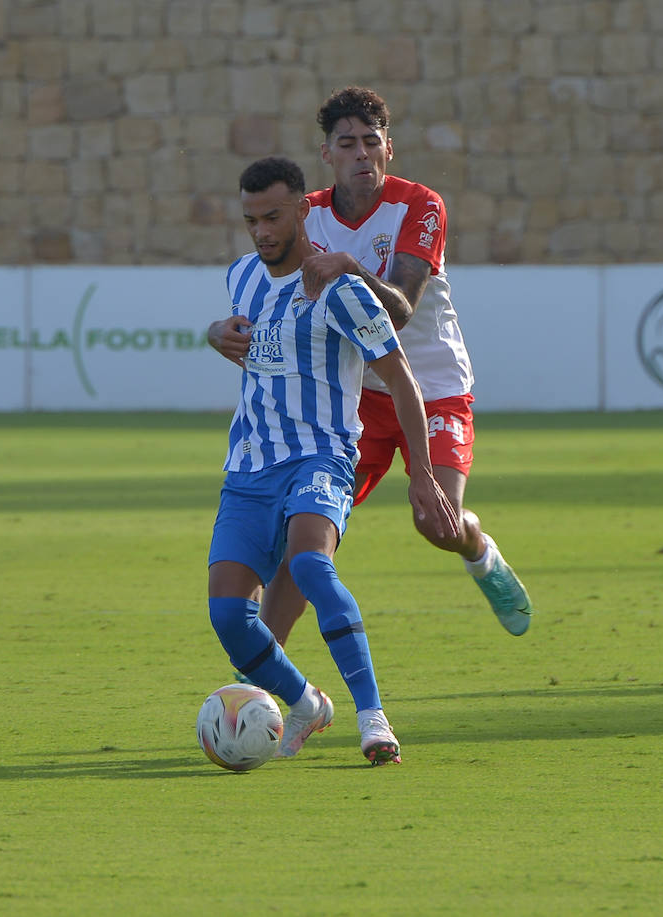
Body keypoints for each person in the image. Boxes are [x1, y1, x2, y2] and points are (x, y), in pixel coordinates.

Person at [209, 85, 534, 645]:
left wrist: (349, 267)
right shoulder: (304, 212)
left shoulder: (419, 206)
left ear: (389, 148)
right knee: (302, 538)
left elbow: (403, 307)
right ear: (326, 155)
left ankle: (480, 554)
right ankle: (262, 676)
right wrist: (217, 328)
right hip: (351, 400)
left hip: (429, 386)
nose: (361, 153)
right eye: (347, 143)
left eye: (370, 141)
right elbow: (264, 284)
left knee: (438, 521)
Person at [207, 156, 459, 765]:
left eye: (272, 216)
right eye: (250, 220)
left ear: (301, 210)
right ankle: (305, 703)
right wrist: (214, 332)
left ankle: (373, 718)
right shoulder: (241, 277)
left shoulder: (339, 289)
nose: (262, 231)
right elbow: (239, 336)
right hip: (249, 466)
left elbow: (401, 380)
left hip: (321, 455)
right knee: (229, 619)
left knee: (312, 567)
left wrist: (422, 475)